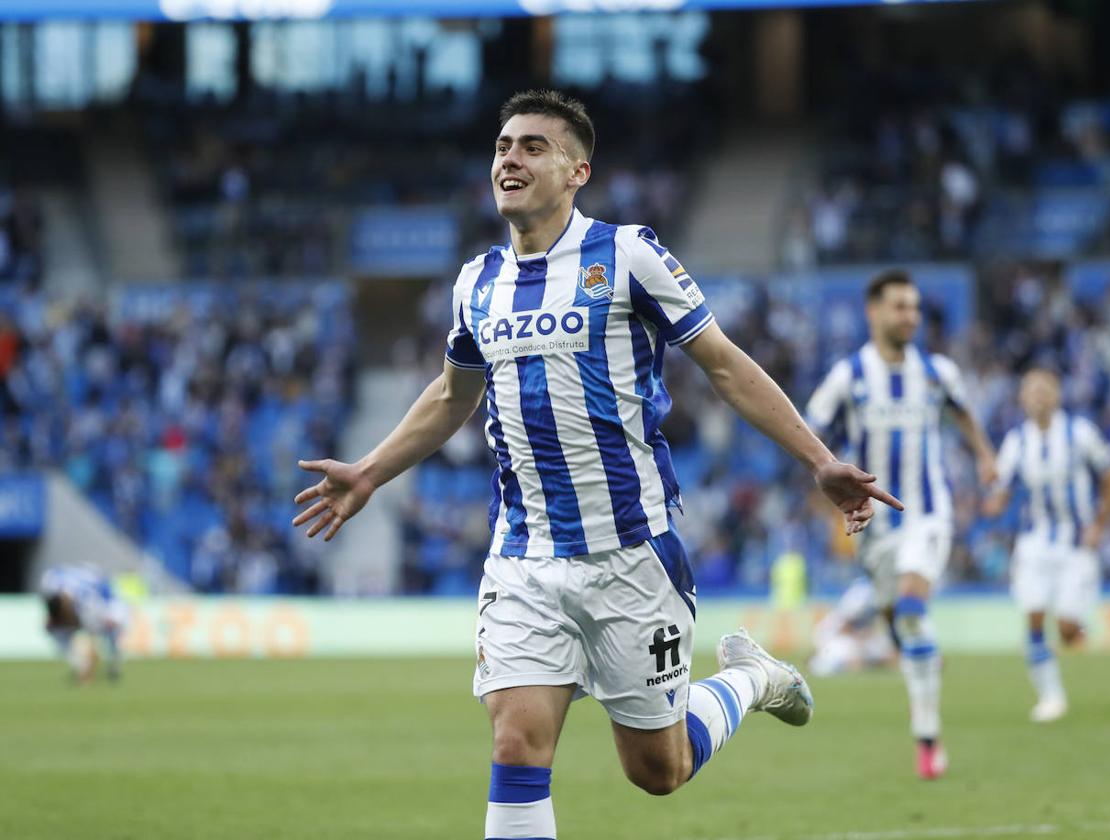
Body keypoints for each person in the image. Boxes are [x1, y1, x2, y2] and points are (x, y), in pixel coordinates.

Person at [293, 89, 901, 838]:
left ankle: (750, 678)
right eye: (503, 146)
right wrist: (369, 471)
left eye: (533, 147)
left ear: (578, 171)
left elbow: (724, 364)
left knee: (658, 770)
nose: (510, 159)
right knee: (516, 742)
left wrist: (819, 460)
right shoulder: (475, 283)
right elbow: (452, 396)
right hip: (524, 556)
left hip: (631, 554)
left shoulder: (628, 255)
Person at [805, 269, 996, 780]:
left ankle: (927, 740)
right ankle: (919, 673)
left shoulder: (937, 371)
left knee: (912, 608)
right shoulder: (849, 375)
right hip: (874, 530)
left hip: (927, 513)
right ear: (874, 312)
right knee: (903, 627)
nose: (910, 316)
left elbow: (964, 414)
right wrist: (824, 486)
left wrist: (985, 458)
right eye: (899, 306)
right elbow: (808, 430)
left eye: (914, 307)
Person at [981, 368, 1110, 723]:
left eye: (1044, 390)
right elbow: (1002, 487)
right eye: (1032, 392)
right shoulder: (1017, 441)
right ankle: (1050, 697)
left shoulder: (1079, 433)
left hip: (1075, 543)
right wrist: (994, 502)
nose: (1039, 398)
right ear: (1022, 399)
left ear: (1057, 395)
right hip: (1034, 542)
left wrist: (1099, 523)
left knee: (1068, 630)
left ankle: (1078, 628)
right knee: (1033, 616)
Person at [39, 565, 128, 684]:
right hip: (87, 581)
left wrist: (90, 663)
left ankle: (113, 663)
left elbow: (93, 640)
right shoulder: (49, 583)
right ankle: (80, 665)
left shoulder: (89, 607)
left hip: (106, 601)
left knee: (114, 628)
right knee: (54, 631)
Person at [808, 576, 895, 678]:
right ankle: (821, 662)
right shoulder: (863, 594)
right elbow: (844, 624)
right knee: (854, 660)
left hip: (855, 635)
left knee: (884, 652)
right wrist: (859, 638)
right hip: (834, 634)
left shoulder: (879, 594)